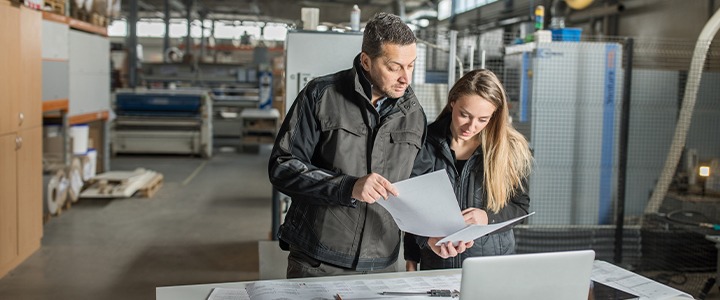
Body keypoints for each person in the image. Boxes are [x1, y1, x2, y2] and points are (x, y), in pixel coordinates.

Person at [268, 12, 469, 278]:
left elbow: (414, 189)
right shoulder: (321, 95)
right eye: (394, 66)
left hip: (383, 264)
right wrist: (348, 186)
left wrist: (429, 237)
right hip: (318, 261)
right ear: (366, 61)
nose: (405, 78)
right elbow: (283, 166)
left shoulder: (414, 114)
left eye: (411, 66)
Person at [405, 69, 534, 271]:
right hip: (437, 264)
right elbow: (411, 205)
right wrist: (413, 255)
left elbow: (521, 206)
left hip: (492, 267)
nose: (471, 126)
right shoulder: (424, 142)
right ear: (452, 102)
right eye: (464, 115)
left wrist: (487, 217)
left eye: (483, 119)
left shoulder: (510, 148)